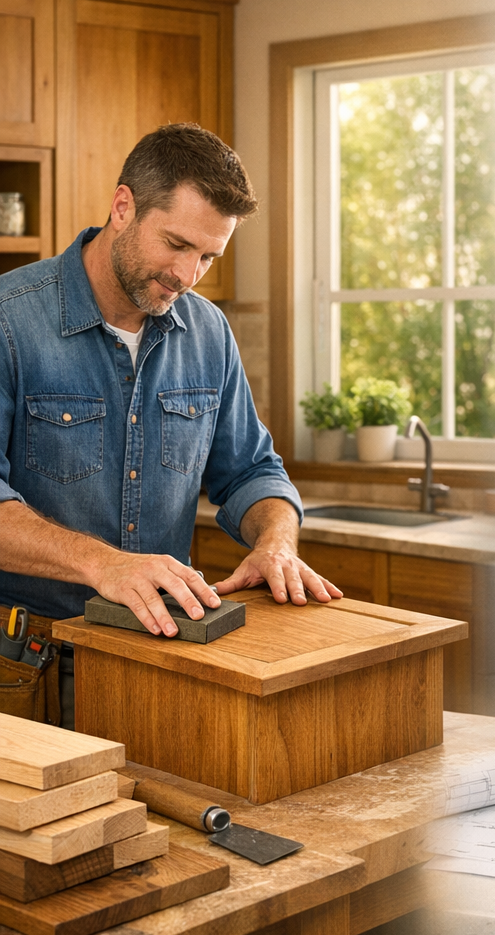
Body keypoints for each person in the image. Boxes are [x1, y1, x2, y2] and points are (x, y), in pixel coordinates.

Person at [0, 123, 342, 646]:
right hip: (29, 657)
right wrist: (102, 564)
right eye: (177, 244)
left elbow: (251, 471)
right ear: (122, 208)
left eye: (207, 257)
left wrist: (277, 542)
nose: (188, 275)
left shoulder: (208, 331)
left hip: (162, 655)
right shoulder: (9, 321)